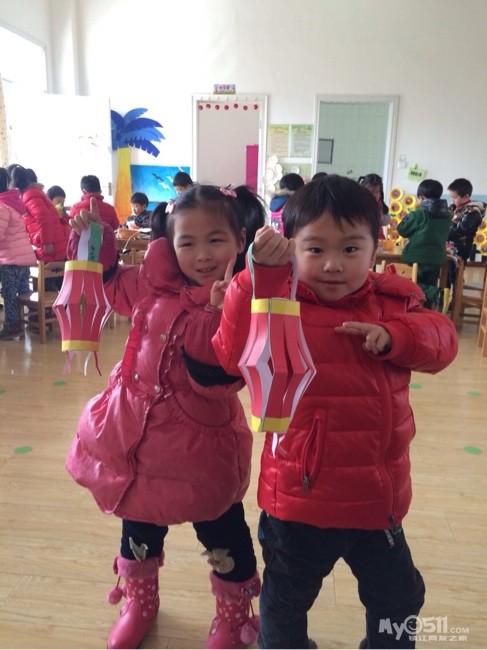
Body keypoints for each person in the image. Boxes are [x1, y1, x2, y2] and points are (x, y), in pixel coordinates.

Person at [212, 174, 458, 649]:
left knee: (400, 599)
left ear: (375, 248)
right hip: (298, 502)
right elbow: (230, 354)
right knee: (284, 606)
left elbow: (442, 341)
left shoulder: (394, 302)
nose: (332, 264)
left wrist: (396, 337)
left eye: (350, 249)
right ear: (291, 247)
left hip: (376, 500)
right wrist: (255, 277)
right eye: (315, 248)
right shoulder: (276, 300)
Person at [65, 184, 267, 650]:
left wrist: (218, 312)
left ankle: (234, 615)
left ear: (240, 239)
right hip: (135, 438)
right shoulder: (151, 283)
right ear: (170, 244)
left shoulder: (248, 297)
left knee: (222, 532)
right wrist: (97, 239)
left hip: (202, 447)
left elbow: (216, 379)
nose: (202, 255)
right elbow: (111, 284)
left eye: (216, 240)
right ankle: (139, 601)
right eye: (187, 242)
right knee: (137, 523)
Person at [396, 179, 452, 309]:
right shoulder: (447, 215)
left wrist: (408, 217)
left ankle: (437, 293)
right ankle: (427, 311)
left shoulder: (419, 213)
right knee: (429, 284)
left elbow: (402, 230)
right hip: (437, 258)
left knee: (410, 283)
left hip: (418, 256)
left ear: (421, 197)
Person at [0, 167, 36, 340]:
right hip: (23, 257)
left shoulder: (1, 206)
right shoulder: (11, 202)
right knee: (23, 291)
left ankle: (12, 325)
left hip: (11, 259)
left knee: (9, 293)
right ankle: (32, 319)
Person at [9, 165, 69, 264]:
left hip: (51, 247)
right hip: (53, 244)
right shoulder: (33, 193)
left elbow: (43, 217)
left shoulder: (29, 195)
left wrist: (46, 241)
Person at [446, 178, 486, 262]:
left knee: (454, 268)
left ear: (466, 197)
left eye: (454, 197)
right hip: (449, 244)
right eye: (451, 197)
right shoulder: (453, 207)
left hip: (461, 248)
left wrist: (441, 235)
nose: (452, 200)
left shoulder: (473, 212)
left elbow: (462, 230)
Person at [358, 173, 390, 240]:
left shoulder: (380, 204)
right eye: (371, 192)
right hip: (362, 238)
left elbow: (386, 221)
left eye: (377, 192)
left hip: (378, 238)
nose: (374, 195)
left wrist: (382, 217)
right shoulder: (358, 203)